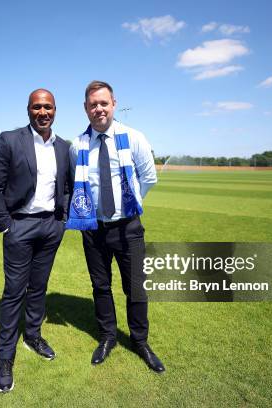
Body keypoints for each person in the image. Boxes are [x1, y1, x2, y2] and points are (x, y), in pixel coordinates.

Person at [67, 80, 165, 373]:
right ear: (86, 108)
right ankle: (108, 336)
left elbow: (148, 178)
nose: (99, 109)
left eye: (103, 103)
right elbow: (77, 183)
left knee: (135, 288)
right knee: (101, 286)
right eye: (93, 104)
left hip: (128, 227)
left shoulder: (133, 137)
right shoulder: (77, 145)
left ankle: (140, 341)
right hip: (93, 229)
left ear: (113, 104)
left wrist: (129, 206)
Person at [0, 89, 71, 393]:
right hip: (19, 226)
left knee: (39, 287)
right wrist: (7, 225)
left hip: (50, 227)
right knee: (13, 293)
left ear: (55, 110)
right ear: (28, 110)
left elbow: (69, 187)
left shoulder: (64, 147)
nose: (43, 112)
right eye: (37, 107)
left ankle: (32, 336)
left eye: (48, 107)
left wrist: (61, 220)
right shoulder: (10, 139)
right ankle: (5, 359)